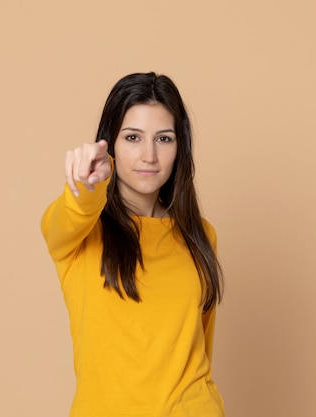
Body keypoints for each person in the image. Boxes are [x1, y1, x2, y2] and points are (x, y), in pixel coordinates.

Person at [41, 72, 225, 417]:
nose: (149, 155)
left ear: (180, 148)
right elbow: (73, 213)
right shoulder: (79, 231)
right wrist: (87, 186)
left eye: (164, 139)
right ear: (109, 144)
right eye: (132, 137)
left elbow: (200, 349)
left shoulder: (201, 235)